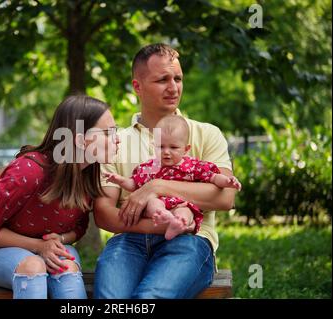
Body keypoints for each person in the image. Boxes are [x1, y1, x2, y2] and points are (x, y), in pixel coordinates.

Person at [93, 43, 238, 299]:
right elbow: (104, 214)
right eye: (162, 80)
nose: (173, 87)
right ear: (137, 86)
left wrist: (155, 187)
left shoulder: (206, 134)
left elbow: (224, 198)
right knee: (110, 300)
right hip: (128, 242)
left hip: (190, 242)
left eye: (178, 78)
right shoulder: (115, 142)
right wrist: (161, 225)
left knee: (149, 298)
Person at [0, 95, 119, 299]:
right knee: (33, 266)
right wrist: (39, 247)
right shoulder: (28, 172)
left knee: (66, 267)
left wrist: (61, 239)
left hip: (49, 248)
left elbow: (79, 228)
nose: (117, 138)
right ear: (81, 140)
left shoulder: (89, 173)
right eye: (108, 133)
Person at [103, 114, 241, 241]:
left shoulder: (193, 166)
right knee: (153, 203)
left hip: (182, 203)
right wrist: (118, 180)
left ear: (186, 149)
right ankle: (165, 218)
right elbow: (134, 184)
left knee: (186, 212)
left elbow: (213, 178)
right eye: (161, 147)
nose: (166, 152)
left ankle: (178, 224)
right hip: (160, 205)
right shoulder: (151, 166)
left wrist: (228, 181)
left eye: (173, 147)